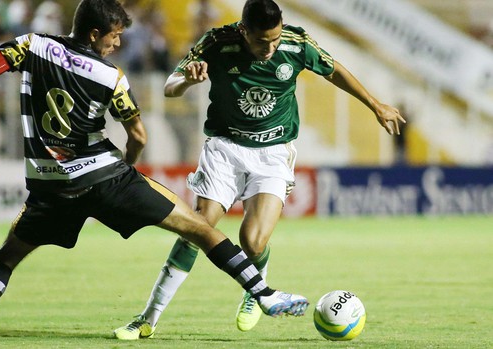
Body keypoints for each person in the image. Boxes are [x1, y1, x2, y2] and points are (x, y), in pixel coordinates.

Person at [0, 0, 307, 341]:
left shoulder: (30, 46)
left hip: (47, 184)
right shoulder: (110, 76)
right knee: (199, 227)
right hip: (103, 175)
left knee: (7, 256)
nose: (117, 43)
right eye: (114, 36)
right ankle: (264, 294)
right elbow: (139, 135)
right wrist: (126, 170)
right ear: (95, 34)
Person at [114, 0, 406, 339]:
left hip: (273, 153)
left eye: (274, 39)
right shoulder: (217, 43)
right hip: (225, 147)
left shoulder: (297, 44)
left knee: (251, 241)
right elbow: (170, 87)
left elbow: (333, 69)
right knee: (197, 228)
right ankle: (148, 317)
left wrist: (375, 105)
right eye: (260, 42)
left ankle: (256, 287)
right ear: (243, 31)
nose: (269, 49)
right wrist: (188, 81)